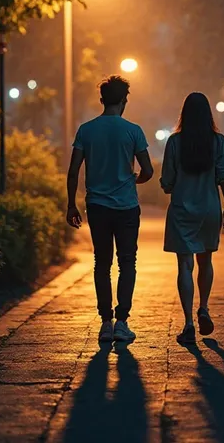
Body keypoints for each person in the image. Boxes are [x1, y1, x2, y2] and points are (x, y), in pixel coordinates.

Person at [67, 75, 153, 344]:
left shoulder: (86, 130)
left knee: (101, 263)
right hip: (127, 207)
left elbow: (73, 171)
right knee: (127, 263)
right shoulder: (134, 130)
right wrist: (133, 180)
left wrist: (71, 203)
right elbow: (148, 171)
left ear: (102, 100)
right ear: (124, 100)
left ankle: (105, 322)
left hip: (97, 207)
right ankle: (122, 322)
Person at [160, 92, 224, 345]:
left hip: (182, 209)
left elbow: (167, 182)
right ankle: (204, 307)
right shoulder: (219, 142)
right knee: (206, 261)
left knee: (185, 266)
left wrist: (170, 184)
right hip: (210, 208)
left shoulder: (174, 142)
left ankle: (189, 323)